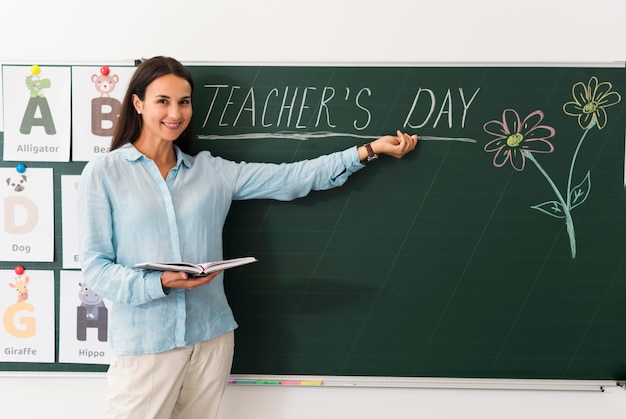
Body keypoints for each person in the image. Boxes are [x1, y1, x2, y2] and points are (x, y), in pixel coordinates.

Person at [77, 56, 418, 419]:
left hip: (211, 336)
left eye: (184, 101)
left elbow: (291, 178)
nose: (175, 113)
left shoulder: (210, 172)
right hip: (146, 344)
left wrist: (367, 151)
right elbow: (95, 268)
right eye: (163, 101)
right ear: (138, 103)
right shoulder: (105, 173)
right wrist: (159, 282)